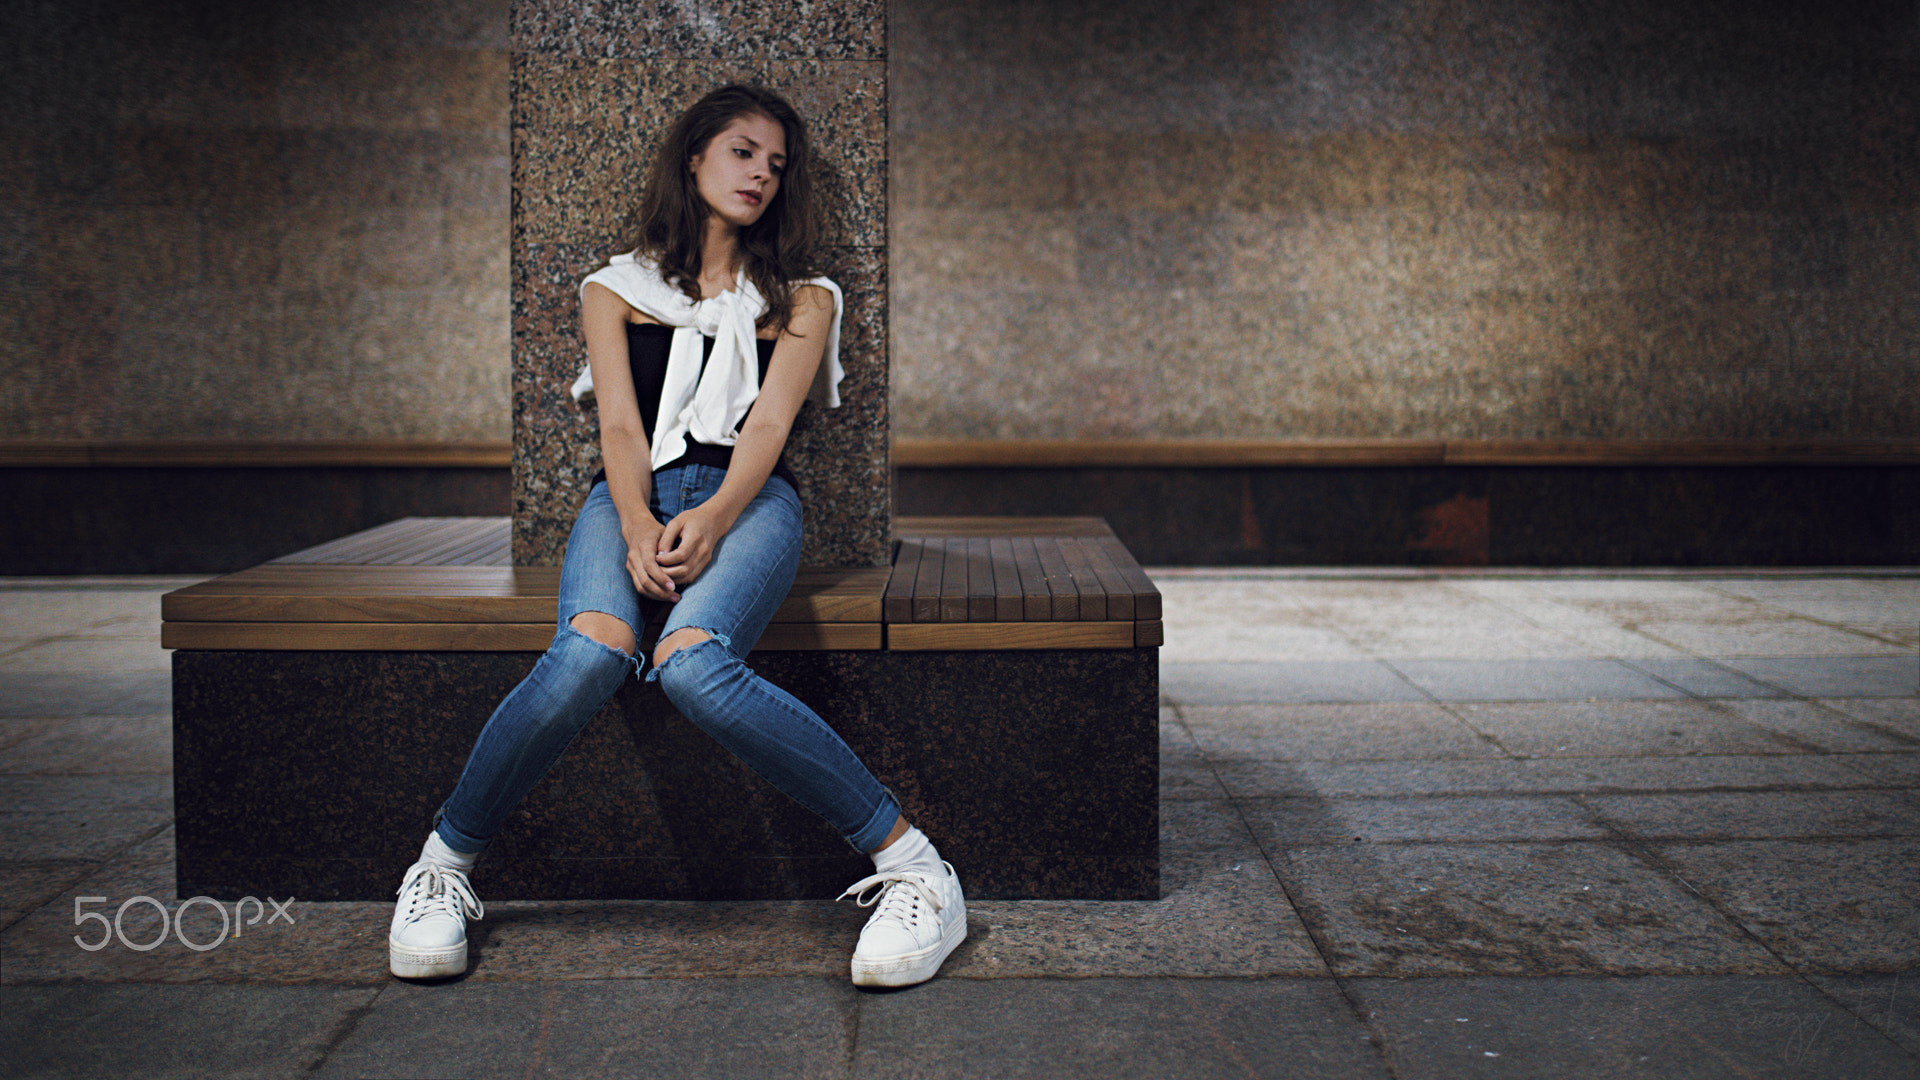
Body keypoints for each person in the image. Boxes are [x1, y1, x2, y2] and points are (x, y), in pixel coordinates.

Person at [386, 84, 964, 988]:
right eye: (743, 152)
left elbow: (769, 428)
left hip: (752, 499)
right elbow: (618, 426)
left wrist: (713, 517)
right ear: (693, 157)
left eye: (777, 165)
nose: (761, 175)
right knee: (588, 655)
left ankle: (916, 868)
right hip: (627, 499)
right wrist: (637, 524)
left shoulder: (806, 299)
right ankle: (442, 866)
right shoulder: (614, 288)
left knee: (695, 664)